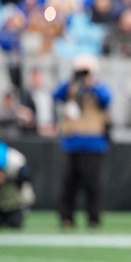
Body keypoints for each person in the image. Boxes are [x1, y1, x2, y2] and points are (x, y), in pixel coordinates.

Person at [54, 54, 111, 230]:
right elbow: (56, 94)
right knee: (68, 184)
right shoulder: (70, 88)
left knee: (92, 186)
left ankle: (93, 219)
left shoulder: (97, 88)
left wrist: (91, 84)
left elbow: (107, 99)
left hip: (93, 143)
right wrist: (72, 82)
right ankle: (66, 218)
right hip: (72, 142)